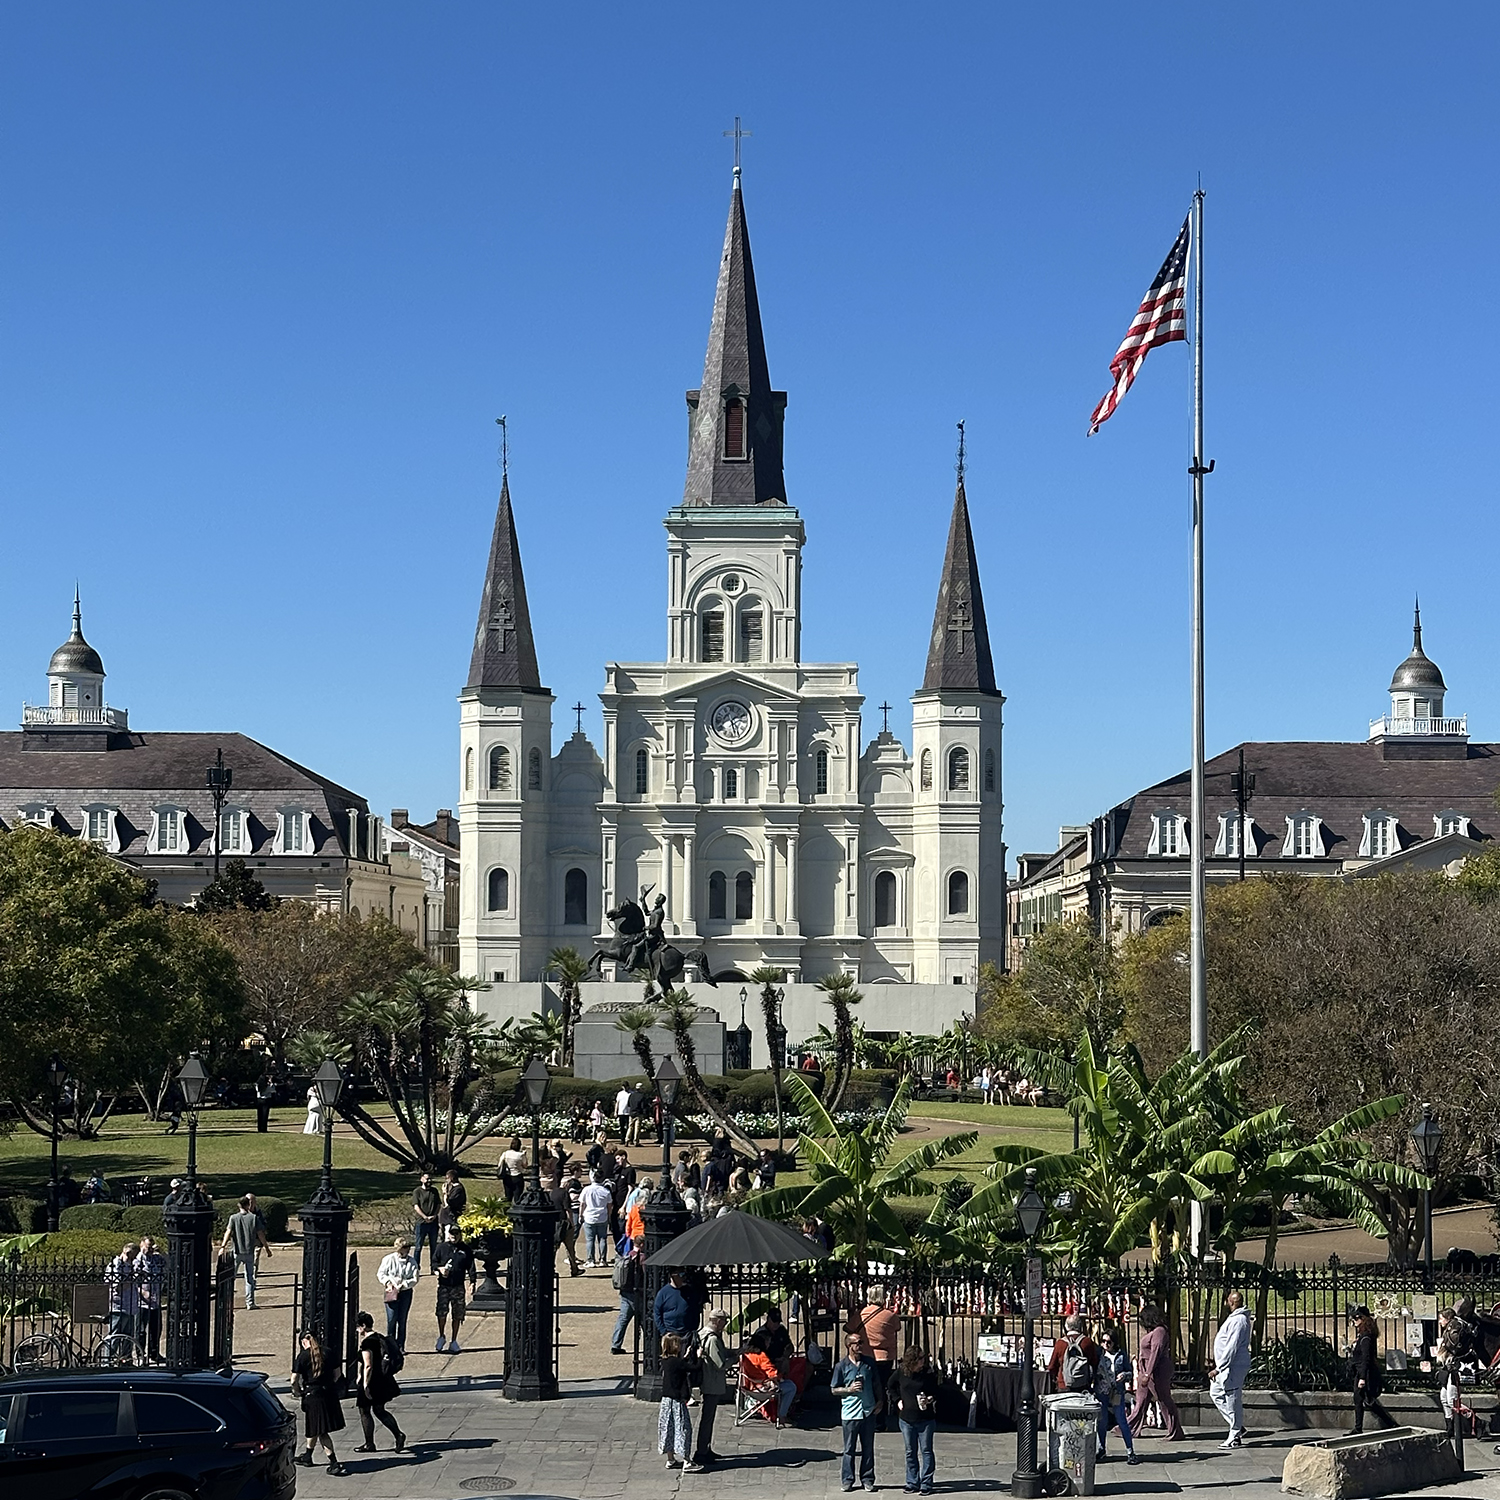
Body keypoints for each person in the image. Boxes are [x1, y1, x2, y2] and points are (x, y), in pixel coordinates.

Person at [292, 1330, 347, 1475]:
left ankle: (334, 1461)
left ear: (304, 1341)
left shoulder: (303, 1356)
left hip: (313, 1396)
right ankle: (308, 1455)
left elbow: (293, 1380)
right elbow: (337, 1375)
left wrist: (297, 1391)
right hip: (328, 1394)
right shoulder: (328, 1352)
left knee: (321, 1431)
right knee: (316, 1427)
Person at [832, 1329, 880, 1492]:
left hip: (868, 1410)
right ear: (849, 1346)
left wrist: (880, 1401)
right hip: (850, 1412)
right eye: (857, 1343)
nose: (861, 1346)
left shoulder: (869, 1363)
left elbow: (877, 1383)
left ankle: (867, 1478)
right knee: (849, 1448)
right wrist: (849, 1389)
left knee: (868, 1447)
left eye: (862, 1343)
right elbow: (833, 1389)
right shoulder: (841, 1366)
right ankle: (847, 1479)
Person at [1129, 1304, 1185, 1441]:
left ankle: (1175, 1431)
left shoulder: (1160, 1331)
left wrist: (1148, 1373)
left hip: (1156, 1371)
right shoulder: (1154, 1331)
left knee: (1163, 1399)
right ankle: (1129, 1427)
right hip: (1146, 1370)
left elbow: (1156, 1352)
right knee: (1141, 1401)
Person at [889, 1344, 940, 1495]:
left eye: (923, 1358)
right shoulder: (901, 1372)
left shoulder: (928, 1373)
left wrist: (929, 1399)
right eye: (920, 1359)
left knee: (926, 1451)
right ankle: (912, 1481)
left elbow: (936, 1391)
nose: (922, 1362)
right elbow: (890, 1386)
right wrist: (897, 1400)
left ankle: (926, 1483)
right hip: (906, 1419)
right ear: (912, 1360)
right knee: (910, 1451)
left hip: (926, 1419)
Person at [352, 1310, 405, 1453]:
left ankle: (369, 1443)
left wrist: (364, 1384)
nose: (357, 1330)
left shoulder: (367, 1343)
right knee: (379, 1410)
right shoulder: (379, 1337)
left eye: (357, 1327)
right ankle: (398, 1434)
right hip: (383, 1379)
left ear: (363, 1326)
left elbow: (368, 1365)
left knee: (364, 1411)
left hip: (372, 1381)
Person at [850, 1289, 900, 1428]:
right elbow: (898, 1327)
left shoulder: (861, 1314)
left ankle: (865, 1416)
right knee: (882, 1387)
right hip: (885, 1357)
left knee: (866, 1386)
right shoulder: (890, 1316)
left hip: (865, 1354)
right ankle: (880, 1420)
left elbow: (848, 1328)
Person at [1209, 1290, 1253, 1449]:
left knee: (1232, 1399)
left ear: (1232, 1302)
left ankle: (1234, 1435)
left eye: (1228, 1301)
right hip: (1227, 1367)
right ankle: (1238, 1427)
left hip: (1232, 1367)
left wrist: (1219, 1368)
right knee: (1215, 1393)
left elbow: (1231, 1347)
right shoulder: (1236, 1318)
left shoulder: (1239, 1321)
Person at [1094, 1325, 1140, 1464]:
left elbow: (1130, 1372)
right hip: (1101, 1391)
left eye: (1109, 1342)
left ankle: (1130, 1451)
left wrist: (1124, 1375)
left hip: (1117, 1391)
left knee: (1122, 1421)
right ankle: (1101, 1448)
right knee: (1102, 1422)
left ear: (1114, 1342)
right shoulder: (1098, 1354)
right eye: (1103, 1341)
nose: (1105, 1345)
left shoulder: (1121, 1355)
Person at [693, 1307, 731, 1467]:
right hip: (712, 1382)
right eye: (724, 1321)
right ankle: (702, 1451)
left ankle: (705, 1448)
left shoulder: (703, 1334)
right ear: (717, 1321)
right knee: (707, 1418)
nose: (725, 1324)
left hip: (707, 1381)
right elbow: (720, 1364)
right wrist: (735, 1358)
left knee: (707, 1418)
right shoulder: (713, 1338)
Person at [658, 1332, 702, 1471]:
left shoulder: (665, 1361)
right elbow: (693, 1367)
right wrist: (699, 1356)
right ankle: (687, 1461)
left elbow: (678, 1366)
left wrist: (686, 1356)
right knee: (683, 1429)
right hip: (676, 1401)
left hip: (666, 1401)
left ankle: (670, 1459)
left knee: (667, 1428)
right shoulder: (678, 1362)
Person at [221, 1194, 272, 1311]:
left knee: (231, 1278)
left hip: (237, 1251)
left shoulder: (233, 1218)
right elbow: (260, 1234)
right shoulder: (254, 1218)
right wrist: (267, 1248)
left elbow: (228, 1232)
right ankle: (250, 1302)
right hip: (249, 1251)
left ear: (239, 1205)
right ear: (248, 1205)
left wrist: (223, 1246)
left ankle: (228, 1301)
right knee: (249, 1278)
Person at [1349, 1306, 1395, 1433]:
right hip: (1361, 1372)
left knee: (1367, 1400)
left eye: (1355, 1318)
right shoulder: (1364, 1335)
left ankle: (1389, 1423)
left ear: (1361, 1319)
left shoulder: (1366, 1337)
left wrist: (1362, 1378)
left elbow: (1366, 1358)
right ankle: (1359, 1427)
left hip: (1364, 1373)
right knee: (1361, 1400)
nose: (1353, 1322)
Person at [432, 1224, 476, 1354]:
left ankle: (454, 1340)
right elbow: (434, 1263)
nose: (454, 1236)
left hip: (458, 1286)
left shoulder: (465, 1250)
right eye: (452, 1233)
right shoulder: (441, 1248)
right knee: (441, 1312)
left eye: (456, 1233)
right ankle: (441, 1336)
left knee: (458, 1314)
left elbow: (471, 1267)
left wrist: (472, 1282)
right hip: (444, 1286)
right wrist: (439, 1270)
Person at [377, 1237, 419, 1353]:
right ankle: (390, 1346)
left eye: (408, 1247)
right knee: (391, 1319)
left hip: (405, 1292)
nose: (407, 1250)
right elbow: (381, 1273)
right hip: (391, 1291)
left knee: (402, 1319)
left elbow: (415, 1278)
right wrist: (388, 1283)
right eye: (404, 1247)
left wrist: (404, 1285)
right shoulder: (388, 1259)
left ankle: (401, 1346)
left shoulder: (412, 1261)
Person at [1047, 1313, 1101, 1393]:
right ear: (1080, 1326)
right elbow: (1094, 1362)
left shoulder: (1060, 1343)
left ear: (1066, 1327)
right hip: (1082, 1384)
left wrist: (1057, 1381)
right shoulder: (1087, 1342)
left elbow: (1052, 1366)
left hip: (1064, 1384)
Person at [610, 1236, 642, 1354]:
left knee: (623, 1320)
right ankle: (652, 1346)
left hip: (625, 1293)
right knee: (645, 1320)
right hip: (638, 1293)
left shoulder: (627, 1255)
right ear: (642, 1245)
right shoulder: (642, 1258)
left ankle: (616, 1344)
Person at [136, 1236, 166, 1361]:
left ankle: (154, 1353)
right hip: (141, 1302)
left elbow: (169, 1264)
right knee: (141, 1331)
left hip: (155, 1300)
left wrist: (161, 1252)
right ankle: (140, 1354)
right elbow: (132, 1281)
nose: (150, 1250)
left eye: (151, 1247)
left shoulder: (157, 1258)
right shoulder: (137, 1261)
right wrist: (142, 1292)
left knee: (156, 1329)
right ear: (141, 1245)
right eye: (148, 1247)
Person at [104, 1242, 140, 1342]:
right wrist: (132, 1279)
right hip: (119, 1307)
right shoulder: (116, 1265)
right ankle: (109, 1357)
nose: (133, 1260)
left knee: (128, 1338)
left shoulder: (130, 1266)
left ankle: (126, 1357)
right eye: (132, 1257)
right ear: (127, 1253)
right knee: (114, 1337)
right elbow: (118, 1287)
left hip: (130, 1306)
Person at [548, 1170, 582, 1276]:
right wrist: (571, 1223)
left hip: (554, 1223)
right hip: (564, 1223)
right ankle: (574, 1269)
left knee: (553, 1248)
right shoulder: (564, 1193)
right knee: (570, 1248)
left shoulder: (552, 1193)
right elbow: (567, 1209)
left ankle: (551, 1269)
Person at [653, 1268, 700, 1342]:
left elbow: (695, 1309)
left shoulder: (689, 1291)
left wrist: (694, 1328)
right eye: (680, 1275)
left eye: (684, 1274)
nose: (683, 1277)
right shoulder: (663, 1293)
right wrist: (664, 1332)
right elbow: (657, 1313)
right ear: (672, 1276)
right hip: (670, 1334)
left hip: (687, 1333)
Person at [410, 1173, 442, 1272]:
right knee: (418, 1246)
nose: (429, 1181)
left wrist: (435, 1215)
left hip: (433, 1223)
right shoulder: (417, 1191)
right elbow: (416, 1206)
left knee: (434, 1246)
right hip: (421, 1223)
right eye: (427, 1179)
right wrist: (424, 1217)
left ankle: (434, 1267)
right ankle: (416, 1267)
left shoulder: (434, 1191)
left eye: (430, 1179)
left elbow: (438, 1205)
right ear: (421, 1179)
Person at [581, 1170, 613, 1267]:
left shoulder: (586, 1190)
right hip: (602, 1217)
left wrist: (580, 1215)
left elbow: (582, 1204)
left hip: (589, 1217)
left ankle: (590, 1260)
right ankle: (602, 1260)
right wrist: (609, 1216)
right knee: (602, 1239)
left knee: (590, 1240)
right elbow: (609, 1205)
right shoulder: (605, 1191)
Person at [499, 1137, 528, 1202]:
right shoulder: (520, 1155)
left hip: (507, 1176)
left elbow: (500, 1164)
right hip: (517, 1176)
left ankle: (506, 1210)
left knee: (508, 1196)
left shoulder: (505, 1153)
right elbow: (525, 1165)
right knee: (517, 1197)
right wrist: (525, 1155)